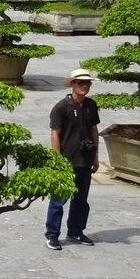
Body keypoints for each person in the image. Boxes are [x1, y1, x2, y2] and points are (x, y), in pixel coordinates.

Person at [45, 68, 100, 251]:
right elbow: (55, 134)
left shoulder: (90, 105)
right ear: (72, 84)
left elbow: (94, 130)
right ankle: (52, 234)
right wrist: (57, 160)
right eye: (81, 82)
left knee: (81, 200)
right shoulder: (61, 108)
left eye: (87, 83)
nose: (85, 86)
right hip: (67, 161)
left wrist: (96, 155)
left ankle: (76, 231)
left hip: (85, 160)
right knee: (58, 200)